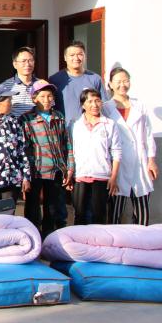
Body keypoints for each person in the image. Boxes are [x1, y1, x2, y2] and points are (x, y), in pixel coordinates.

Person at [103, 67, 159, 225]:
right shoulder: (106, 108)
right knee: (115, 211)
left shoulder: (139, 106)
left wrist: (151, 160)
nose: (122, 84)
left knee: (142, 211)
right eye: (118, 81)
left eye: (126, 81)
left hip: (139, 161)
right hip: (117, 163)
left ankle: (141, 238)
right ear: (110, 84)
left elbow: (148, 134)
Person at [21, 80, 75, 237]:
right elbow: (23, 148)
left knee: (53, 207)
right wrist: (25, 174)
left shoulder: (58, 117)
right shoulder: (27, 119)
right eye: (42, 96)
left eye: (49, 96)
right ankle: (33, 238)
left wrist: (69, 168)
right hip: (35, 170)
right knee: (32, 208)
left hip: (56, 170)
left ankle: (50, 238)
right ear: (34, 98)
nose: (46, 100)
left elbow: (67, 144)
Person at [70, 88, 122, 225]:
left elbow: (116, 151)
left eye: (98, 101)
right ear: (83, 105)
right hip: (80, 174)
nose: (94, 105)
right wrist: (70, 173)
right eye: (90, 101)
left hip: (102, 175)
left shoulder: (109, 124)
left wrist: (113, 177)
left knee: (99, 215)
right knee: (79, 215)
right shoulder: (75, 124)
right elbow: (70, 149)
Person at [49, 41, 108, 123]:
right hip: (64, 128)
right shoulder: (55, 80)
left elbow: (104, 106)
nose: (76, 58)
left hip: (90, 127)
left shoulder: (95, 79)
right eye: (72, 55)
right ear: (65, 57)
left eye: (80, 54)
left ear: (85, 56)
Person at [0, 47, 43, 118]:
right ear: (15, 64)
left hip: (37, 124)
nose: (27, 64)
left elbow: (50, 108)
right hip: (14, 124)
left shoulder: (42, 84)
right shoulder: (6, 86)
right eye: (23, 61)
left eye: (31, 60)